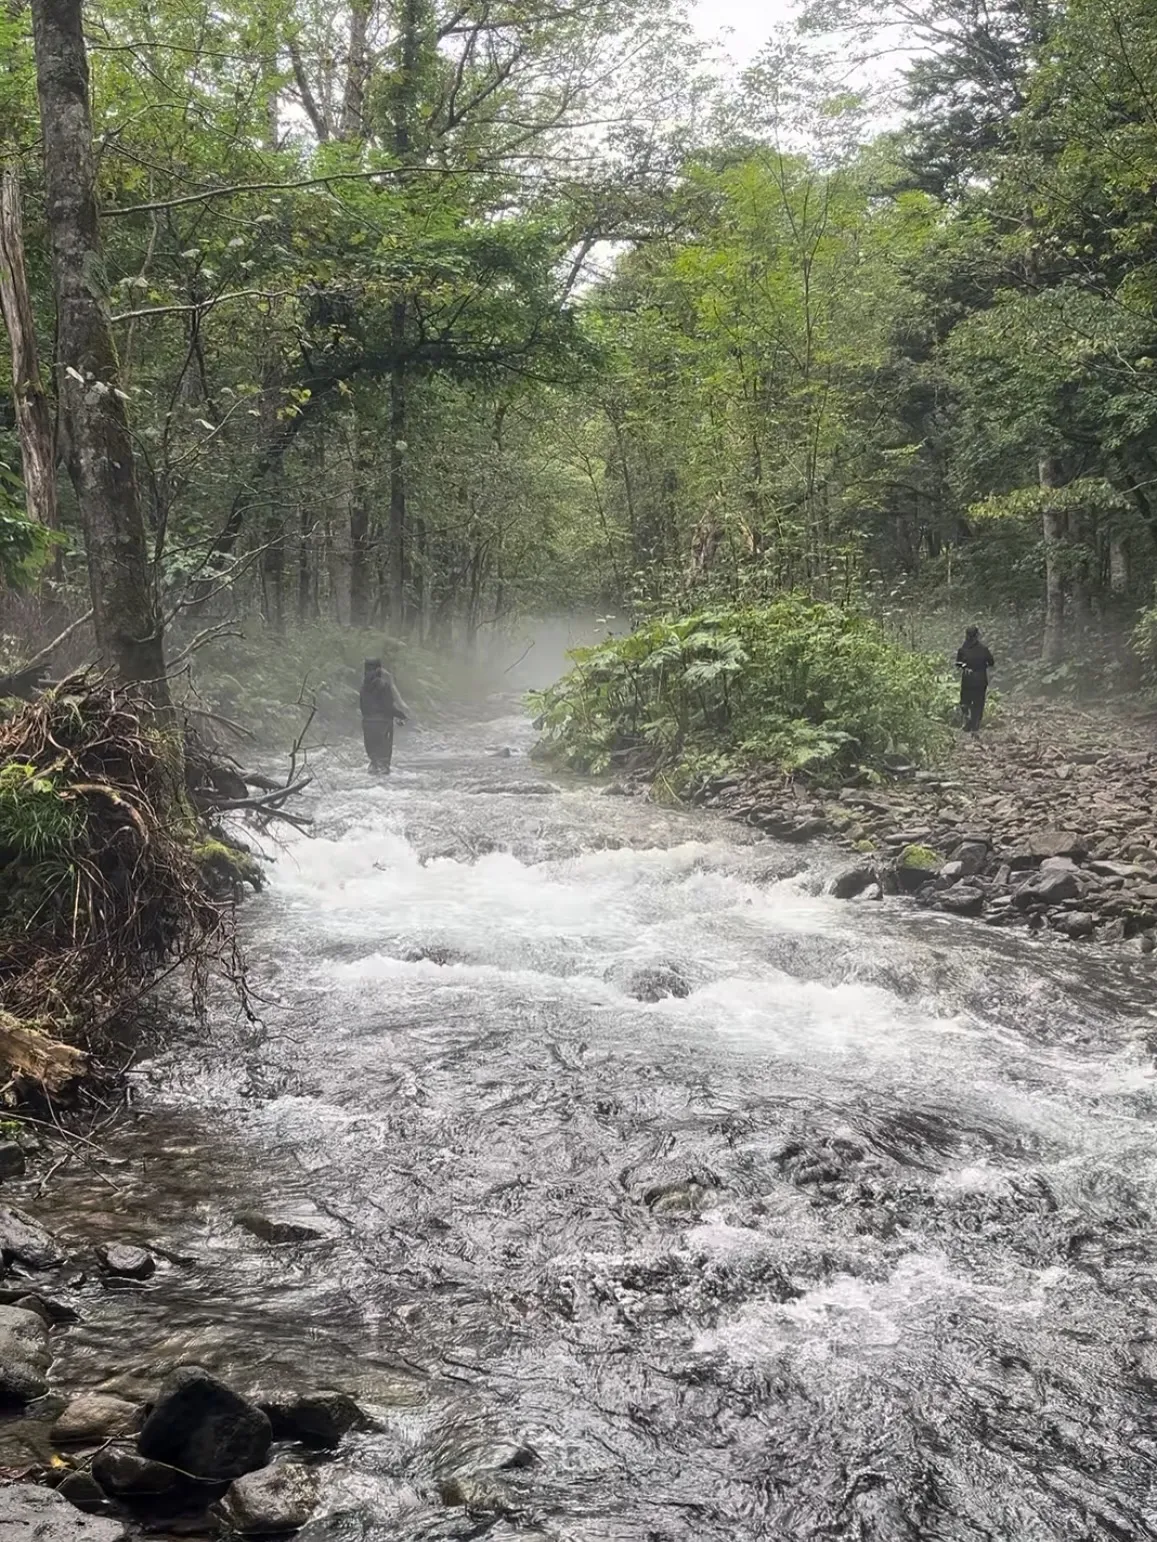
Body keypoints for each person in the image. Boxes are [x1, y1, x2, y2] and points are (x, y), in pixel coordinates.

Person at [359, 658, 408, 773]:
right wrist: (401, 716)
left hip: (367, 724)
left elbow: (362, 707)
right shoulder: (384, 685)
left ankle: (374, 769)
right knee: (384, 761)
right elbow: (388, 707)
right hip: (383, 724)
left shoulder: (363, 687)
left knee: (374, 759)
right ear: (379, 669)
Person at [955, 625, 995, 733]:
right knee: (978, 703)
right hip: (980, 680)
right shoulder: (983, 649)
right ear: (977, 636)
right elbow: (991, 662)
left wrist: (965, 666)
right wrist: (983, 665)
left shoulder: (962, 649)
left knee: (965, 702)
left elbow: (958, 663)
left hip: (968, 679)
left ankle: (967, 720)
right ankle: (975, 727)